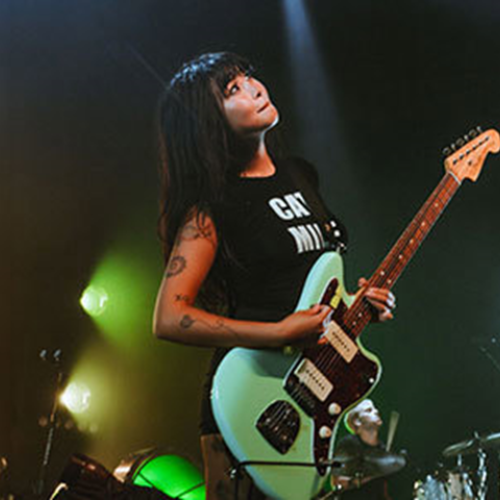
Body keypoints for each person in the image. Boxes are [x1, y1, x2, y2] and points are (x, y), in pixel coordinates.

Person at [152, 52, 396, 499]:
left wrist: (360, 308)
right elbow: (169, 316)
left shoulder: (301, 175)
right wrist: (279, 331)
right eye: (233, 90)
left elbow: (311, 285)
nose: (255, 88)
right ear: (209, 123)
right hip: (250, 396)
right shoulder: (213, 206)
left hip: (310, 395)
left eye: (249, 78)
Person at [329, 400, 404, 500]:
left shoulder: (381, 449)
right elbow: (337, 481)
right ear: (357, 421)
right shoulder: (349, 444)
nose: (376, 411)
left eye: (374, 408)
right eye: (369, 410)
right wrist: (361, 479)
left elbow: (382, 491)